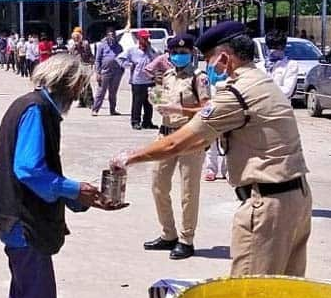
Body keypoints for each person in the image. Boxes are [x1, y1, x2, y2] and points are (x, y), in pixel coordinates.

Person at [110, 21, 312, 277]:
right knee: (282, 294)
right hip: (296, 198)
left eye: (210, 59)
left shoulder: (236, 93)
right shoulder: (262, 81)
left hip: (268, 206)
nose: (210, 65)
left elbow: (178, 142)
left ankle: (185, 238)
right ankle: (170, 234)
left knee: (249, 296)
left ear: (225, 57)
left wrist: (130, 157)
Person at [0, 54, 119, 298]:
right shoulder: (36, 110)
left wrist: (77, 199)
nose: (80, 93)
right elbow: (28, 170)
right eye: (80, 86)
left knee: (24, 296)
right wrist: (74, 189)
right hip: (22, 222)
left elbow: (39, 174)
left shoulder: (34, 108)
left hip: (19, 221)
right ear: (69, 84)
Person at [142, 34, 209, 260]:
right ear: (169, 55)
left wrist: (180, 111)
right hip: (165, 134)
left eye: (184, 53)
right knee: (158, 185)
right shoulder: (168, 76)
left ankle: (186, 239)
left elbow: (206, 109)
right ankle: (168, 234)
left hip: (189, 138)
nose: (180, 56)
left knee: (189, 192)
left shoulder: (198, 78)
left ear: (192, 54)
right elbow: (161, 99)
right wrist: (157, 100)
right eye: (176, 53)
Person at [121, 29, 159, 130]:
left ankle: (147, 122)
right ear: (139, 38)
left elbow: (157, 59)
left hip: (150, 80)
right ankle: (135, 121)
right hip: (137, 80)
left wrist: (150, 49)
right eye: (144, 37)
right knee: (137, 102)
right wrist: (129, 65)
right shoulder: (132, 50)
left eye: (147, 37)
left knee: (149, 102)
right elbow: (120, 59)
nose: (147, 39)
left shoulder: (152, 49)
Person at [91, 28, 124, 116]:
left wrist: (122, 69)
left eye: (113, 34)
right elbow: (97, 60)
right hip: (105, 71)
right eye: (110, 34)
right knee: (101, 91)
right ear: (107, 35)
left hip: (116, 72)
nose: (112, 36)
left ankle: (112, 110)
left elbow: (123, 58)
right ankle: (95, 109)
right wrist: (97, 72)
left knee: (113, 92)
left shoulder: (119, 46)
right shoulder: (102, 46)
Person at [265, 30, 299, 101]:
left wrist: (262, 91)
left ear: (283, 47)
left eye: (276, 48)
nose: (272, 51)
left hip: (280, 108)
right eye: (270, 47)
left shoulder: (291, 65)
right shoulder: (259, 65)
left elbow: (287, 91)